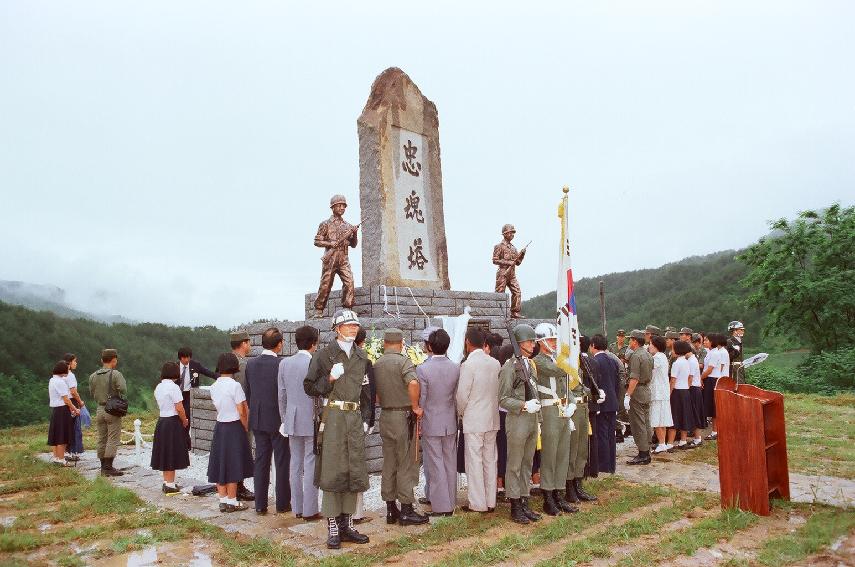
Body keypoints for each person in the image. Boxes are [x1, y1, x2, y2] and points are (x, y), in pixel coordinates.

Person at [304, 309, 372, 549]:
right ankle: (333, 526)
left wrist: (367, 418)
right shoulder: (323, 356)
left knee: (353, 468)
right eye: (348, 325)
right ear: (337, 328)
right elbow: (310, 387)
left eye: (355, 325)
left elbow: (366, 391)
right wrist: (329, 380)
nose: (353, 328)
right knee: (333, 470)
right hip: (333, 416)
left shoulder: (362, 357)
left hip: (353, 418)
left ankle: (348, 524)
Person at [374, 328, 428, 526]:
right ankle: (406, 508)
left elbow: (374, 393)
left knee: (388, 462)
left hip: (386, 415)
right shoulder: (403, 361)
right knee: (406, 462)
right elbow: (413, 382)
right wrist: (415, 407)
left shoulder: (377, 363)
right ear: (401, 343)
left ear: (384, 342)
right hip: (403, 416)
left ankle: (390, 509)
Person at [278, 325, 323, 521]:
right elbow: (320, 393)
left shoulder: (284, 363)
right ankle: (310, 509)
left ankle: (297, 507)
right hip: (311, 417)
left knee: (295, 464)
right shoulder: (314, 362)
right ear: (314, 343)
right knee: (311, 462)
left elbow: (281, 395)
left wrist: (284, 418)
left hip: (292, 417)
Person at [245, 328, 291, 515]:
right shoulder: (282, 364)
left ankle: (260, 504)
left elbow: (249, 392)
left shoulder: (251, 364)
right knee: (281, 462)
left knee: (261, 461)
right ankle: (282, 503)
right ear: (279, 344)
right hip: (278, 420)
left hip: (258, 418)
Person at [499, 324, 542, 524]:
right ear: (519, 343)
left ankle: (524, 500)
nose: (533, 345)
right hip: (517, 419)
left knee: (527, 463)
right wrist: (524, 405)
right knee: (515, 464)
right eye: (529, 341)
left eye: (533, 341)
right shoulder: (509, 367)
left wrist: (537, 416)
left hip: (532, 419)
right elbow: (503, 399)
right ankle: (515, 504)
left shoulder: (530, 365)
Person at [533, 323, 577, 515]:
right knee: (550, 456)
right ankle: (548, 497)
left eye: (555, 340)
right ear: (541, 342)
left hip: (562, 410)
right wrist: (570, 357)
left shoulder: (555, 359)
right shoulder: (539, 361)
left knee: (562, 454)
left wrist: (572, 403)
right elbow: (559, 371)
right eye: (551, 340)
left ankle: (559, 493)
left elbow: (565, 384)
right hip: (549, 411)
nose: (554, 343)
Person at [456, 327, 500, 514]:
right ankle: (490, 501)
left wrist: (460, 413)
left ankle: (477, 503)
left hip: (474, 418)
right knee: (490, 460)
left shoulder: (468, 365)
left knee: (474, 461)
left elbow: (462, 396)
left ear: (467, 342)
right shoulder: (495, 363)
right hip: (492, 417)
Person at [417, 329, 459, 517]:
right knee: (449, 461)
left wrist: (418, 418)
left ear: (430, 346)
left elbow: (423, 399)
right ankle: (450, 500)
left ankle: (441, 506)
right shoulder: (455, 366)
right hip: (449, 419)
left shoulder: (423, 369)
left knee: (435, 463)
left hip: (431, 420)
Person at [207, 353, 253, 512]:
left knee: (220, 462)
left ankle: (223, 499)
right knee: (233, 463)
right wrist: (246, 426)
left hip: (220, 427)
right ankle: (232, 501)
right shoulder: (235, 385)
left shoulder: (214, 386)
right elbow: (242, 410)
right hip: (234, 427)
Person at [568, 336, 601, 503]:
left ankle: (578, 484)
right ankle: (570, 486)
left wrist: (594, 393)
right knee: (573, 450)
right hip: (572, 408)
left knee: (582, 449)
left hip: (583, 407)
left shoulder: (581, 360)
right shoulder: (566, 362)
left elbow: (581, 386)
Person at [314, 194, 359, 315]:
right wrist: (330, 243)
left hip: (343, 258)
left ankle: (347, 308)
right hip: (331, 258)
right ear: (333, 207)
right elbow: (317, 241)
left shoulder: (348, 226)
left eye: (344, 206)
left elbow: (353, 245)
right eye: (339, 205)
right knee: (326, 284)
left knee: (349, 282)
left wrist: (355, 234)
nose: (342, 208)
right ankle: (318, 310)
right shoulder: (325, 224)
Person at [150, 362, 190, 494]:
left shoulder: (159, 387)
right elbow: (179, 408)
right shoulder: (174, 387)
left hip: (162, 421)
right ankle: (170, 485)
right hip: (173, 422)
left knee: (165, 452)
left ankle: (167, 482)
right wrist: (184, 421)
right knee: (172, 452)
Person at [352, 327, 377, 524]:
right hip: (357, 418)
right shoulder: (364, 362)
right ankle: (356, 512)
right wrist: (369, 420)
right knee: (357, 464)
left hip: (338, 419)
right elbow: (368, 393)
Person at [88, 349, 126, 476]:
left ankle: (102, 466)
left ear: (101, 360)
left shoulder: (93, 376)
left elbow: (91, 392)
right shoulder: (116, 374)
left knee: (101, 438)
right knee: (113, 438)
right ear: (114, 360)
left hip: (99, 409)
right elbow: (123, 389)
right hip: (112, 410)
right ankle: (108, 467)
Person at [229, 331, 255, 503]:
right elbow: (246, 392)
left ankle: (234, 487)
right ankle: (239, 487)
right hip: (241, 413)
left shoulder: (226, 361)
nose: (250, 345)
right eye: (249, 342)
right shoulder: (243, 365)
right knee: (242, 450)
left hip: (227, 415)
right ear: (244, 344)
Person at [590, 335, 620, 473]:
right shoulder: (612, 360)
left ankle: (603, 466)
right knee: (610, 435)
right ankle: (611, 465)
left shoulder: (595, 361)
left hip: (602, 402)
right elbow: (616, 383)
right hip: (612, 401)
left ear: (593, 345)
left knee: (601, 434)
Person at [177, 347, 217, 449]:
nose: (187, 360)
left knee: (187, 418)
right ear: (180, 358)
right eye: (185, 358)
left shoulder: (195, 365)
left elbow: (207, 372)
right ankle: (184, 442)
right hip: (177, 394)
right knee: (178, 418)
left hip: (189, 394)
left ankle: (185, 443)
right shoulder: (175, 366)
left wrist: (221, 376)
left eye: (189, 357)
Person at [625, 330, 653, 465]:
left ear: (635, 341)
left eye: (630, 340)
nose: (629, 342)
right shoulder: (648, 354)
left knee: (638, 423)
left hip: (637, 390)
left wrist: (627, 395)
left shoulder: (636, 356)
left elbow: (634, 378)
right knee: (646, 421)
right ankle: (647, 449)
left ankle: (643, 452)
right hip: (646, 389)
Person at [48, 360, 79, 466]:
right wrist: (75, 408)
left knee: (56, 434)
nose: (68, 369)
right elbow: (66, 399)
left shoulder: (52, 380)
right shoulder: (60, 382)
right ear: (62, 370)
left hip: (56, 410)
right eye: (67, 368)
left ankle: (56, 457)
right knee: (63, 435)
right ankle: (61, 459)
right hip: (62, 409)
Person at [493, 224, 526, 319]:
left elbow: (518, 263)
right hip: (503, 272)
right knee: (500, 293)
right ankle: (498, 313)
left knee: (517, 292)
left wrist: (522, 255)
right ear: (505, 234)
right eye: (511, 232)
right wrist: (508, 262)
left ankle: (514, 312)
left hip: (512, 274)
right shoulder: (499, 246)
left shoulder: (514, 248)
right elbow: (495, 260)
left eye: (513, 233)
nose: (512, 234)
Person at [647, 336, 673, 454]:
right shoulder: (662, 356)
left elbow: (649, 372)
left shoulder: (657, 357)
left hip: (658, 392)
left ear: (656, 345)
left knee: (657, 419)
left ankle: (662, 443)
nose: (649, 346)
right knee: (662, 419)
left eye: (651, 344)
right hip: (662, 391)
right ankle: (662, 442)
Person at [667, 340, 694, 450]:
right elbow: (689, 377)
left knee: (674, 416)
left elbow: (673, 380)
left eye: (673, 349)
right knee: (684, 415)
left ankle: (670, 443)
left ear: (678, 350)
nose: (672, 351)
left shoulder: (676, 363)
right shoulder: (687, 362)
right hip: (685, 391)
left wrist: (668, 394)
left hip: (677, 392)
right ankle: (683, 441)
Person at [62, 353, 85, 461]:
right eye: (75, 361)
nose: (76, 363)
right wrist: (80, 402)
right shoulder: (70, 375)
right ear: (70, 363)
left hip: (65, 402)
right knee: (72, 427)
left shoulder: (63, 375)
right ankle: (69, 451)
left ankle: (67, 451)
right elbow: (73, 391)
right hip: (72, 401)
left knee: (68, 426)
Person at [687, 345, 705, 447]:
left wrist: (687, 388)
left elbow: (690, 377)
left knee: (696, 413)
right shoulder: (692, 359)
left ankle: (698, 438)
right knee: (694, 413)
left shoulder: (692, 360)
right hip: (694, 387)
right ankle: (696, 437)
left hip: (693, 388)